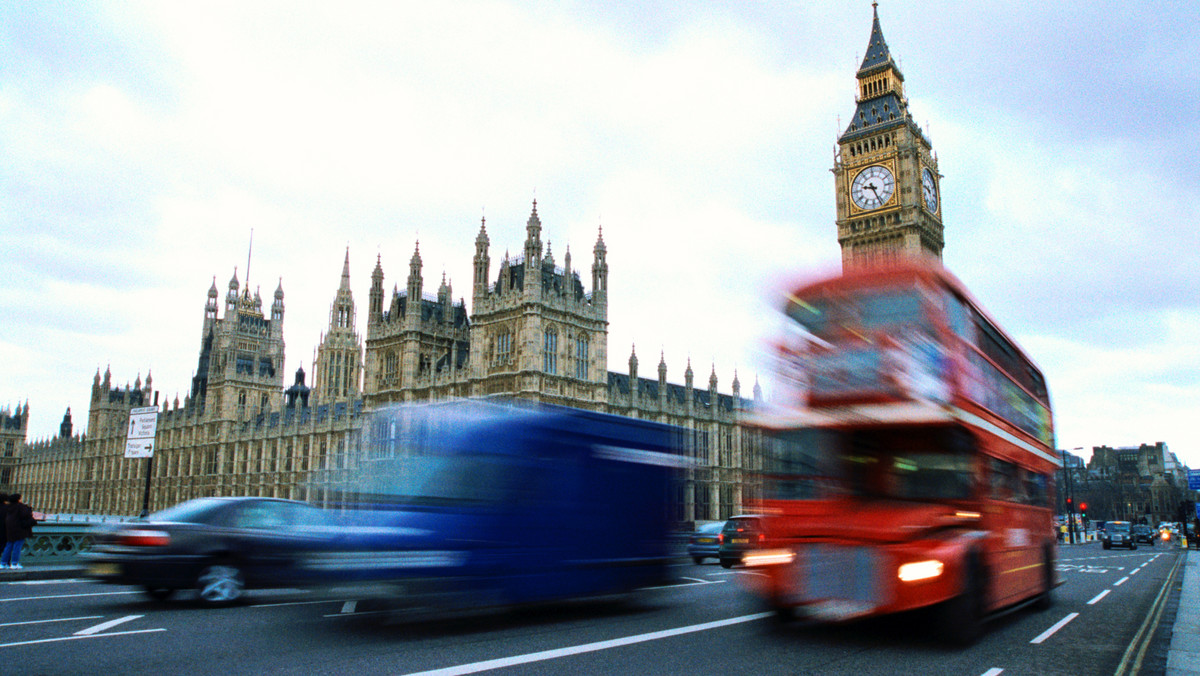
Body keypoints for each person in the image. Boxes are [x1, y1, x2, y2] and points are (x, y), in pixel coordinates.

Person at [1, 492, 37, 570]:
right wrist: (28, 508)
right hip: (19, 530)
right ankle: (14, 563)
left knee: (9, 546)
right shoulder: (20, 507)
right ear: (18, 499)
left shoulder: (8, 507)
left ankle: (3, 563)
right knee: (17, 546)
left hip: (10, 529)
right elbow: (27, 515)